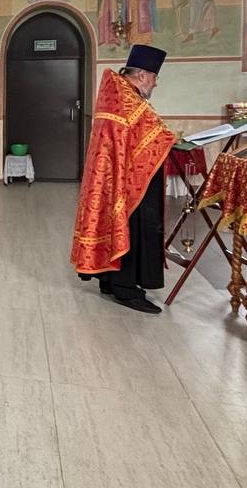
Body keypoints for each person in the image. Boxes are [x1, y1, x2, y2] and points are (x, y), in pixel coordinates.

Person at [71, 45, 175, 314]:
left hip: (112, 174)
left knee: (113, 220)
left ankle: (109, 279)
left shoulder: (117, 92)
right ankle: (126, 288)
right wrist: (172, 138)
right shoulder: (128, 99)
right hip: (126, 179)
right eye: (154, 78)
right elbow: (153, 133)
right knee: (130, 224)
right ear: (141, 75)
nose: (155, 84)